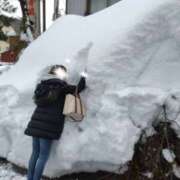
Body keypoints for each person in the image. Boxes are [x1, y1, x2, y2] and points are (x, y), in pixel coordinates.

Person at [24, 64, 87, 180]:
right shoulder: (62, 88)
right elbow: (80, 88)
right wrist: (84, 73)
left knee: (35, 154)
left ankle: (30, 178)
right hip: (48, 127)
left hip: (35, 124)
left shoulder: (42, 87)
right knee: (43, 156)